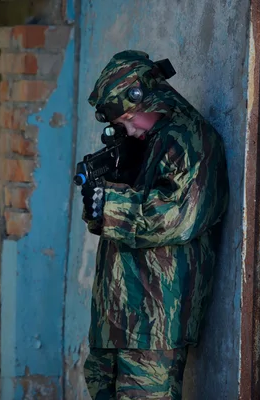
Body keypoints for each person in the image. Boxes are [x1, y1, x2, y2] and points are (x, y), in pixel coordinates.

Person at [80, 50, 230, 400]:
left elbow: (180, 214)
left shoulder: (192, 139)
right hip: (116, 319)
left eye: (131, 119)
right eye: (121, 125)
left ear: (149, 96)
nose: (129, 130)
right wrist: (102, 203)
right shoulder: (149, 143)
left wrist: (110, 206)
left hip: (153, 325)